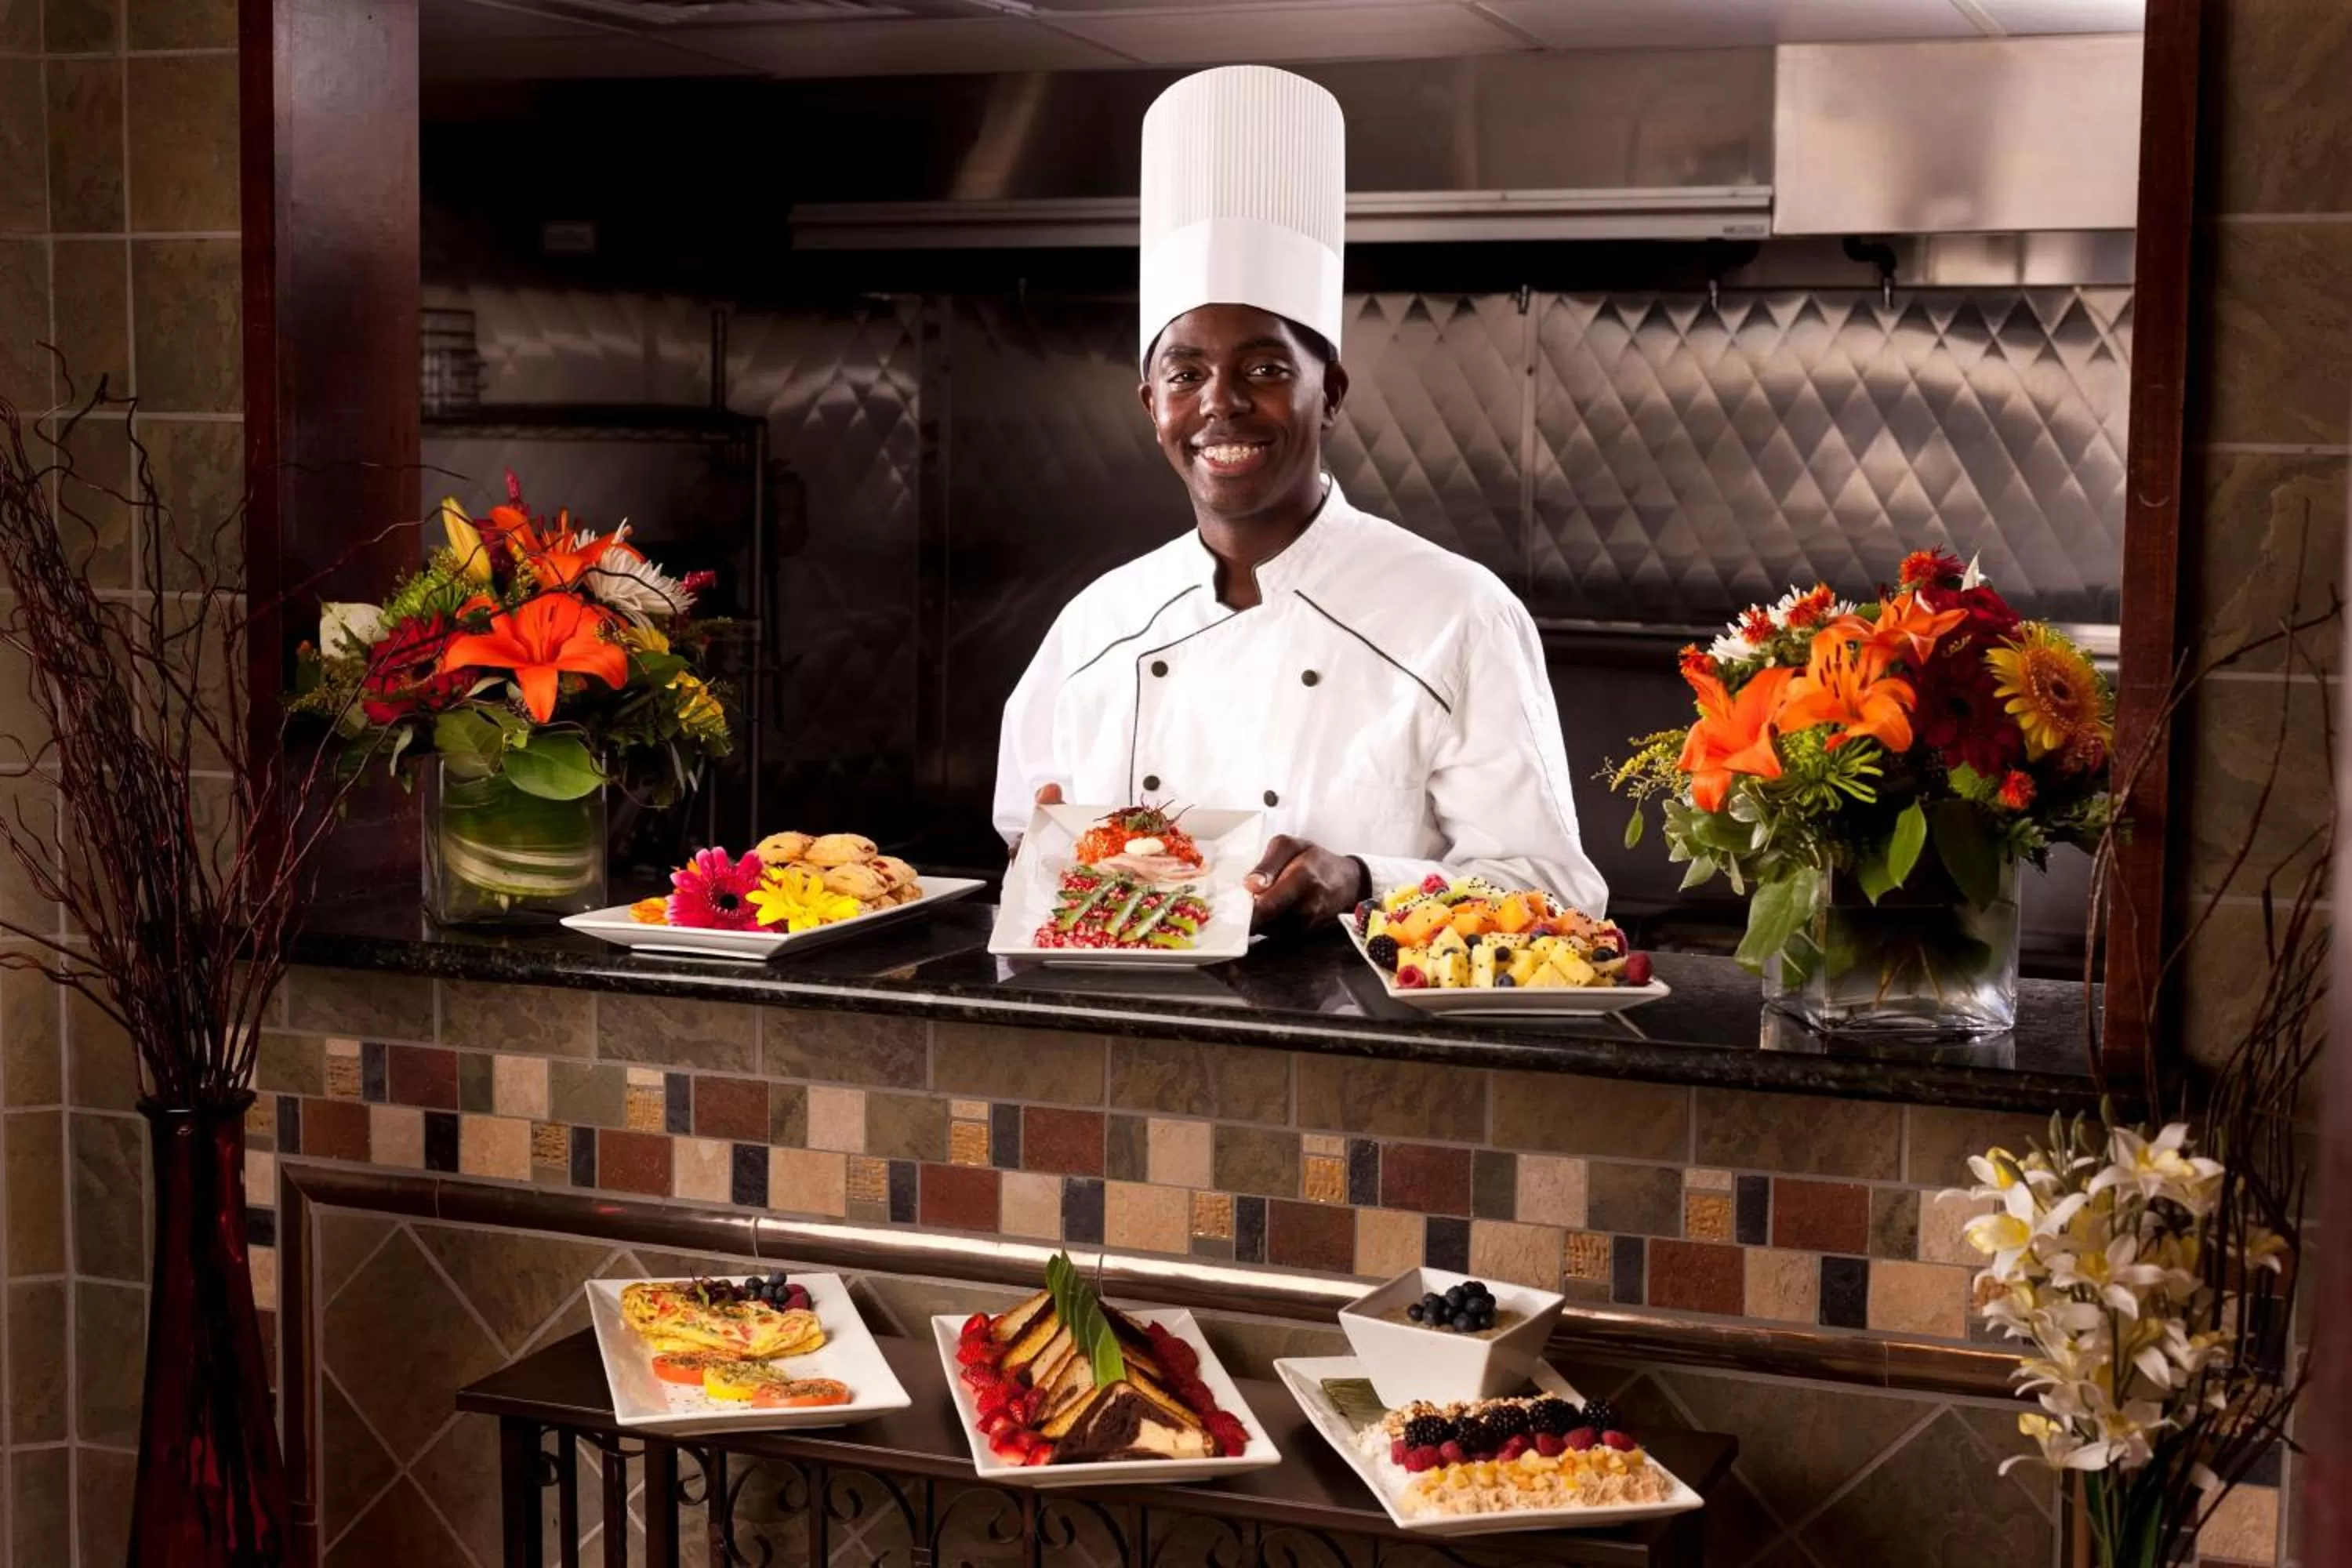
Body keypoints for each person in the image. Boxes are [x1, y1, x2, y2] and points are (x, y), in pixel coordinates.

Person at [991, 64, 1605, 936]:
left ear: (1335, 393)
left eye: (1267, 369)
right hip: (1120, 1049)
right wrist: (1044, 862)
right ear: (1150, 405)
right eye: (1187, 374)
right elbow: (1028, 843)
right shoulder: (1096, 623)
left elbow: (1557, 888)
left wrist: (1363, 880)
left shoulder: (1458, 613)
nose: (1222, 403)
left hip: (1366, 1059)